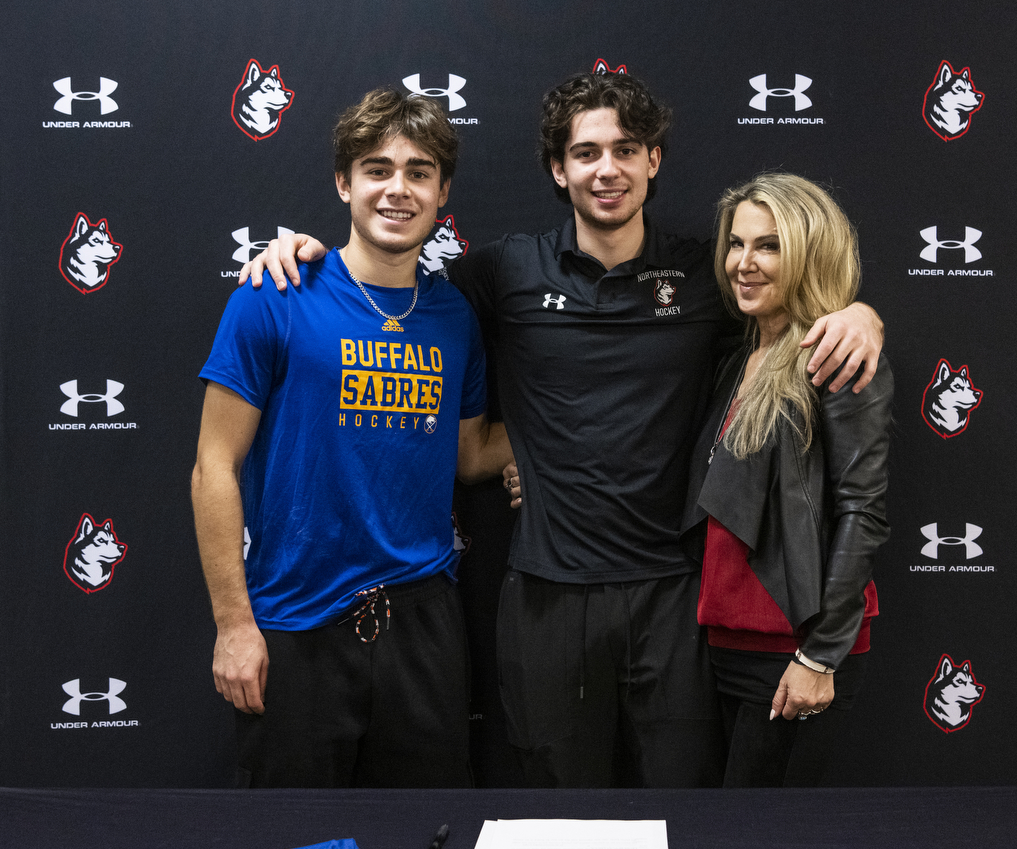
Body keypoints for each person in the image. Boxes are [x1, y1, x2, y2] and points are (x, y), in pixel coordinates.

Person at [241, 71, 885, 788]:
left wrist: (861, 315)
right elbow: (393, 285)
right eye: (585, 153)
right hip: (545, 596)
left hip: (672, 597)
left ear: (653, 161)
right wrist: (305, 255)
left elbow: (789, 298)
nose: (606, 169)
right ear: (558, 168)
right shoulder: (504, 271)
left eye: (626, 149)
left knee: (687, 820)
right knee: (555, 824)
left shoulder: (705, 275)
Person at [190, 89, 513, 789]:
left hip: (423, 623)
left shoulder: (454, 315)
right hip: (297, 620)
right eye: (377, 169)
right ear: (344, 183)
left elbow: (469, 454)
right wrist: (234, 626)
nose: (398, 188)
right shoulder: (274, 293)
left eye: (419, 171)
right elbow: (214, 465)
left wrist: (567, 440)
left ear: (442, 190)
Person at [683, 173, 892, 787]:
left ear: (809, 253)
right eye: (737, 244)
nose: (744, 263)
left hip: (794, 653)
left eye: (769, 246)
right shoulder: (734, 352)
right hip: (718, 645)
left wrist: (820, 655)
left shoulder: (838, 356)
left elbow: (863, 512)